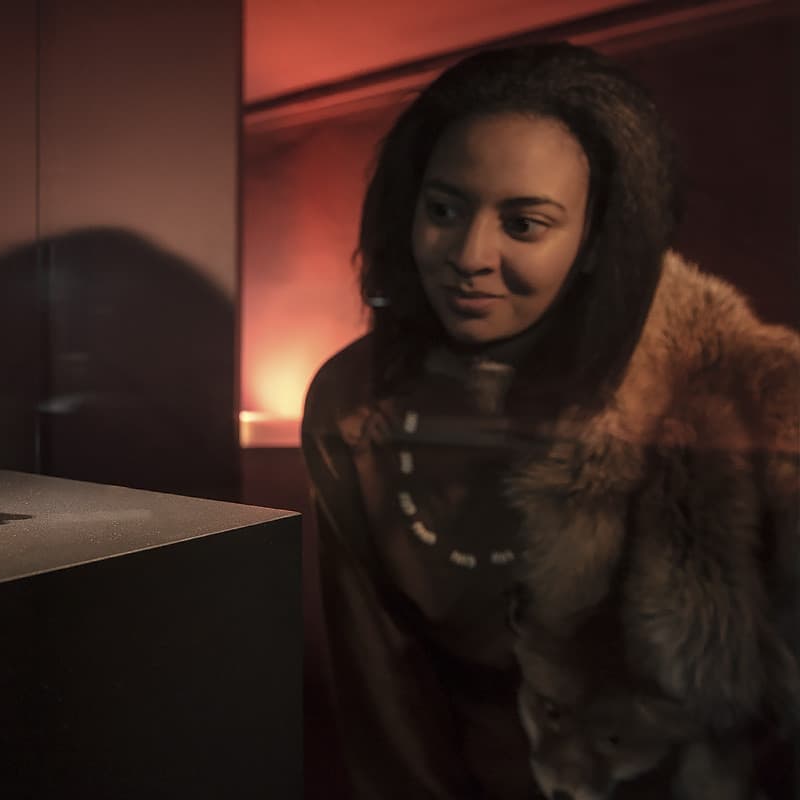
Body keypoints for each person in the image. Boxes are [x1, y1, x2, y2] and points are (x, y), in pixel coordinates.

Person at [301, 42, 799, 799]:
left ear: (597, 239)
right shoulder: (355, 399)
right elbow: (378, 697)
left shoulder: (751, 393)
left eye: (525, 224)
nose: (469, 254)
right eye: (444, 210)